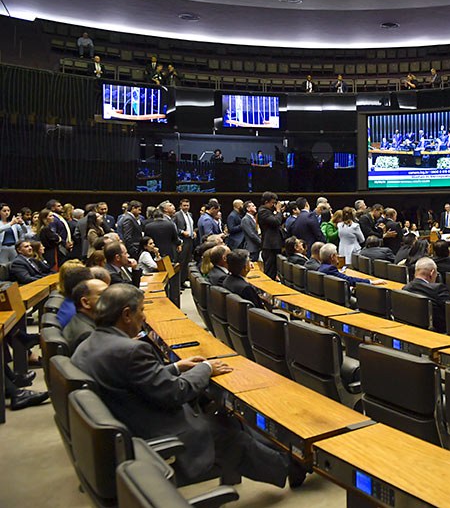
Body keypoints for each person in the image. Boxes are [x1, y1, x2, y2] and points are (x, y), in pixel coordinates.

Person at [71, 283, 292, 486]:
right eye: (141, 310)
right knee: (233, 436)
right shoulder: (130, 351)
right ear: (126, 315)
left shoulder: (87, 345)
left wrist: (176, 367)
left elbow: (135, 380)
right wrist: (205, 369)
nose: (144, 316)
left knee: (228, 418)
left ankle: (284, 458)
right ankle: (289, 468)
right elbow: (176, 392)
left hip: (132, 422)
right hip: (160, 432)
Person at [403, 258, 450, 332]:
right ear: (432, 273)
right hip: (440, 331)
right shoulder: (438, 289)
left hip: (413, 330)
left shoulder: (406, 288)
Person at [62, 278, 108, 353]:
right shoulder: (87, 335)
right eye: (103, 294)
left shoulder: (79, 320)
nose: (112, 297)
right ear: (85, 302)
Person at [318, 244, 383, 287]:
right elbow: (348, 280)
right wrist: (370, 282)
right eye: (336, 254)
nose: (338, 256)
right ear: (332, 257)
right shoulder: (330, 269)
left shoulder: (321, 267)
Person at [258, 192, 284, 280]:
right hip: (269, 245)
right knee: (270, 271)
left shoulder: (269, 211)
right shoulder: (263, 211)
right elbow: (276, 221)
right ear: (266, 202)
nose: (274, 205)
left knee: (274, 270)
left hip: (273, 245)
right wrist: (278, 211)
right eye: (272, 203)